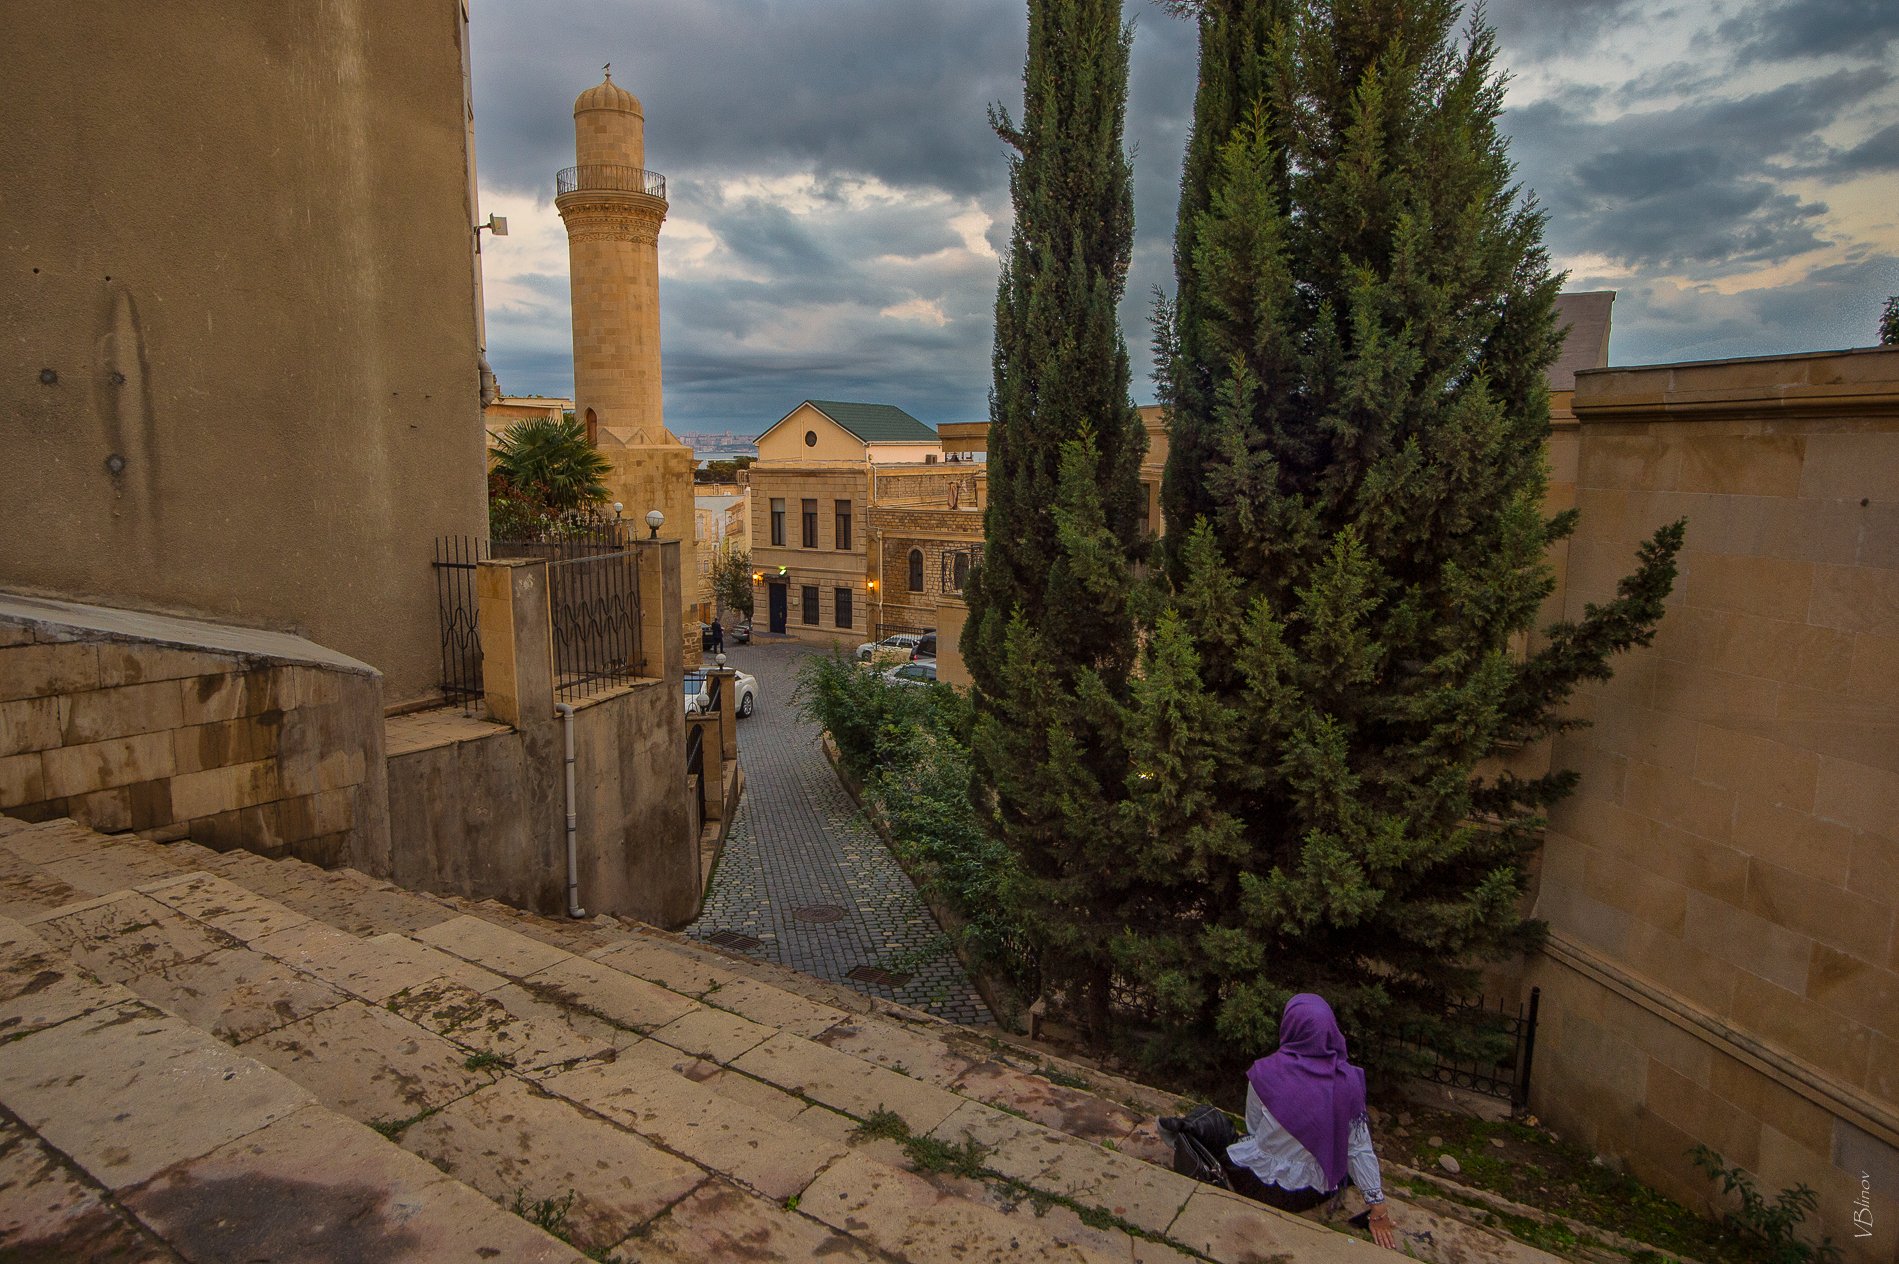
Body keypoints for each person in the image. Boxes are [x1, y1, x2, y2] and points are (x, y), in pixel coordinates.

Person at [1227, 993, 1398, 1250]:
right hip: (1306, 1194)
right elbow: (1358, 1149)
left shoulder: (1263, 1072)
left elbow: (1253, 1127)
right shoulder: (1347, 1083)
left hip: (1257, 1183)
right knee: (1350, 1148)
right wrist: (1379, 1209)